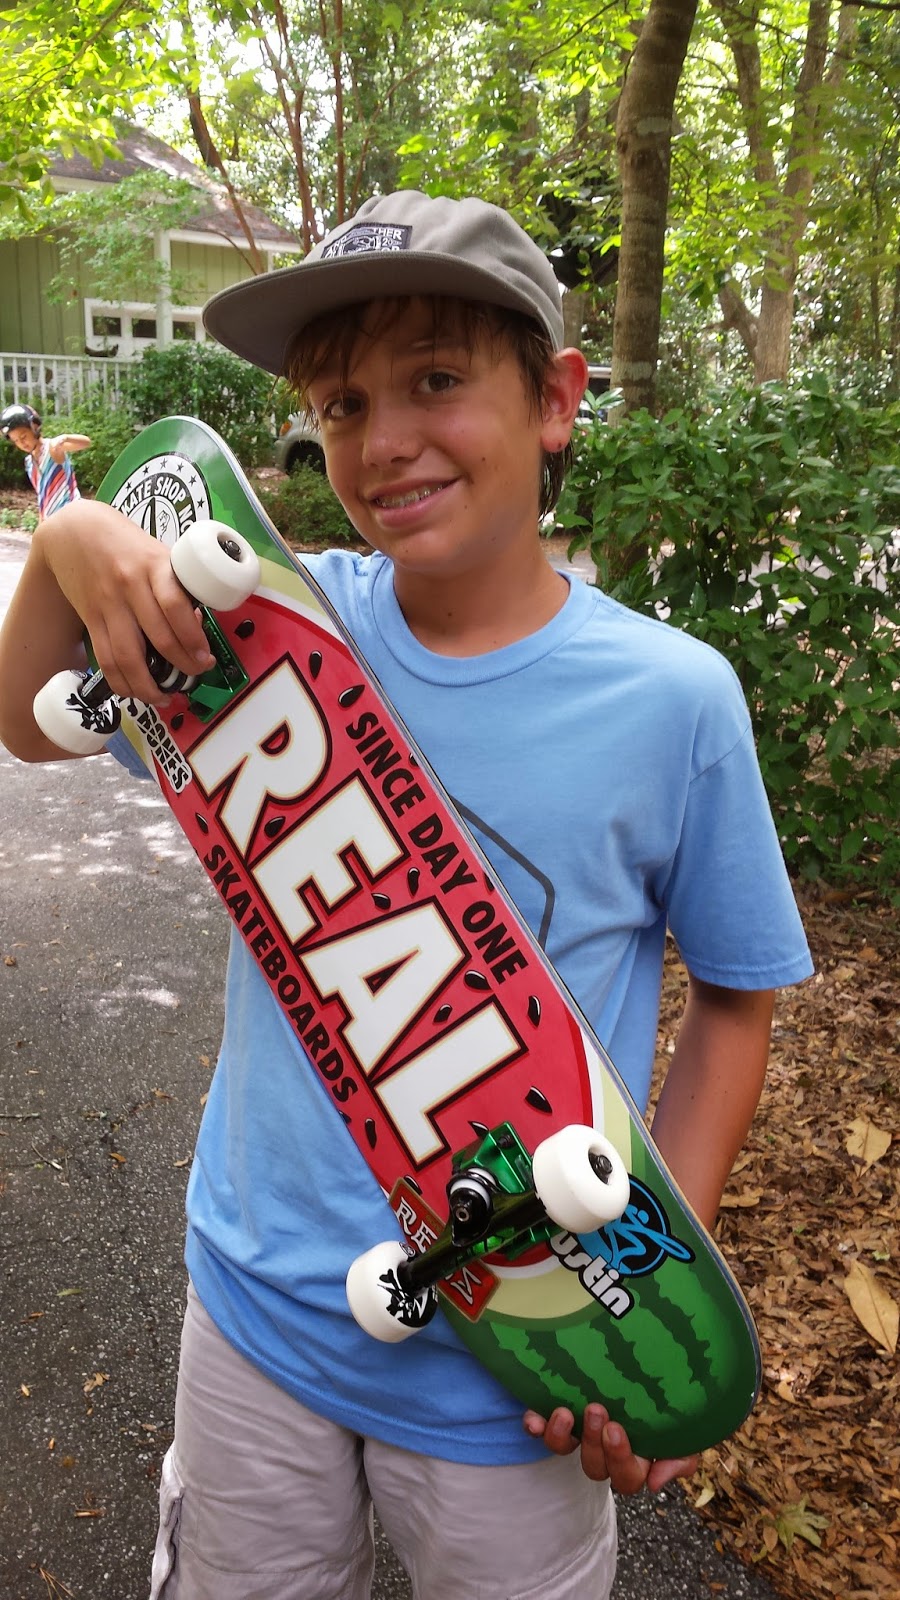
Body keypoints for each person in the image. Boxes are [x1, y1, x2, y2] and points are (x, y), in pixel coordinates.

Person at [0, 191, 813, 1600]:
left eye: (436, 380)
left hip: (514, 1365)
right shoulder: (265, 632)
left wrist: (647, 1292)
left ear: (555, 399)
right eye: (342, 403)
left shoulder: (673, 700)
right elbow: (24, 723)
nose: (382, 440)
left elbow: (738, 1000)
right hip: (255, 1313)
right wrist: (64, 543)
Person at [0, 401, 91, 521]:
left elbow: (86, 442)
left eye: (23, 437)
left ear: (34, 427)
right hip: (51, 519)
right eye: (16, 440)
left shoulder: (52, 447)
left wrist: (65, 438)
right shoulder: (29, 462)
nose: (21, 443)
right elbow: (42, 495)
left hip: (70, 513)